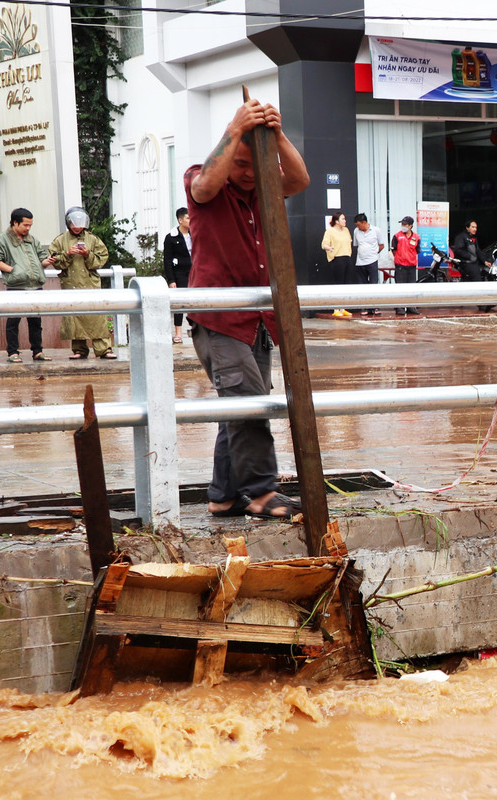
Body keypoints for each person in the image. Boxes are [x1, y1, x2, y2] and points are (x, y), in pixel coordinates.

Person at [185, 95, 311, 521]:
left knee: (235, 408)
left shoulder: (265, 186)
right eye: (240, 162)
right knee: (249, 402)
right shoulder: (206, 183)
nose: (247, 171)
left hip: (259, 317)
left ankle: (223, 495)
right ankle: (260, 492)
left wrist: (275, 135)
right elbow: (203, 186)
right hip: (220, 318)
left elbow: (300, 180)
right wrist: (235, 130)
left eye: (254, 163)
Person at [0, 207, 53, 363]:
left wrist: (48, 261)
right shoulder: (1, 240)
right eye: (25, 225)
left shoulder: (32, 240)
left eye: (30, 225)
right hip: (17, 285)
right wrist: (13, 270)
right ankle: (12, 352)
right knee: (13, 320)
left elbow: (42, 259)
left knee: (36, 321)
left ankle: (38, 351)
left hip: (35, 285)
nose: (28, 228)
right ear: (15, 223)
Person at [50, 206, 114, 360]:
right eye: (74, 224)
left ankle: (104, 349)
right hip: (71, 283)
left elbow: (102, 258)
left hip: (90, 283)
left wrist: (87, 254)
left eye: (80, 224)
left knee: (97, 317)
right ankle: (79, 349)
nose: (77, 227)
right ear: (68, 223)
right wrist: (67, 254)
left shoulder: (93, 239)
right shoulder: (60, 240)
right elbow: (54, 260)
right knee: (75, 317)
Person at [163, 207, 193, 342]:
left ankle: (196, 329)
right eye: (187, 218)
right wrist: (171, 279)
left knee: (196, 300)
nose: (190, 220)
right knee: (180, 303)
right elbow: (167, 260)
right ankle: (178, 333)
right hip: (180, 272)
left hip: (195, 271)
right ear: (180, 220)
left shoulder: (195, 234)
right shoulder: (171, 237)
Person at [352, 213, 384, 316]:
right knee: (363, 285)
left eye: (359, 225)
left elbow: (381, 245)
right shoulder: (356, 231)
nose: (358, 227)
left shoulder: (376, 230)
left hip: (372, 261)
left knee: (373, 284)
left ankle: (375, 306)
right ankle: (366, 307)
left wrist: (373, 253)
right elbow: (356, 245)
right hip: (360, 262)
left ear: (364, 222)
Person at [389, 216, 421, 315]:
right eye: (402, 224)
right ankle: (400, 307)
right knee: (400, 287)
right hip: (400, 266)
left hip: (411, 266)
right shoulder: (397, 236)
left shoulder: (416, 237)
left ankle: (411, 306)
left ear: (411, 226)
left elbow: (417, 250)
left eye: (405, 224)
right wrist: (400, 258)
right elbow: (393, 250)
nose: (403, 226)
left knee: (411, 287)